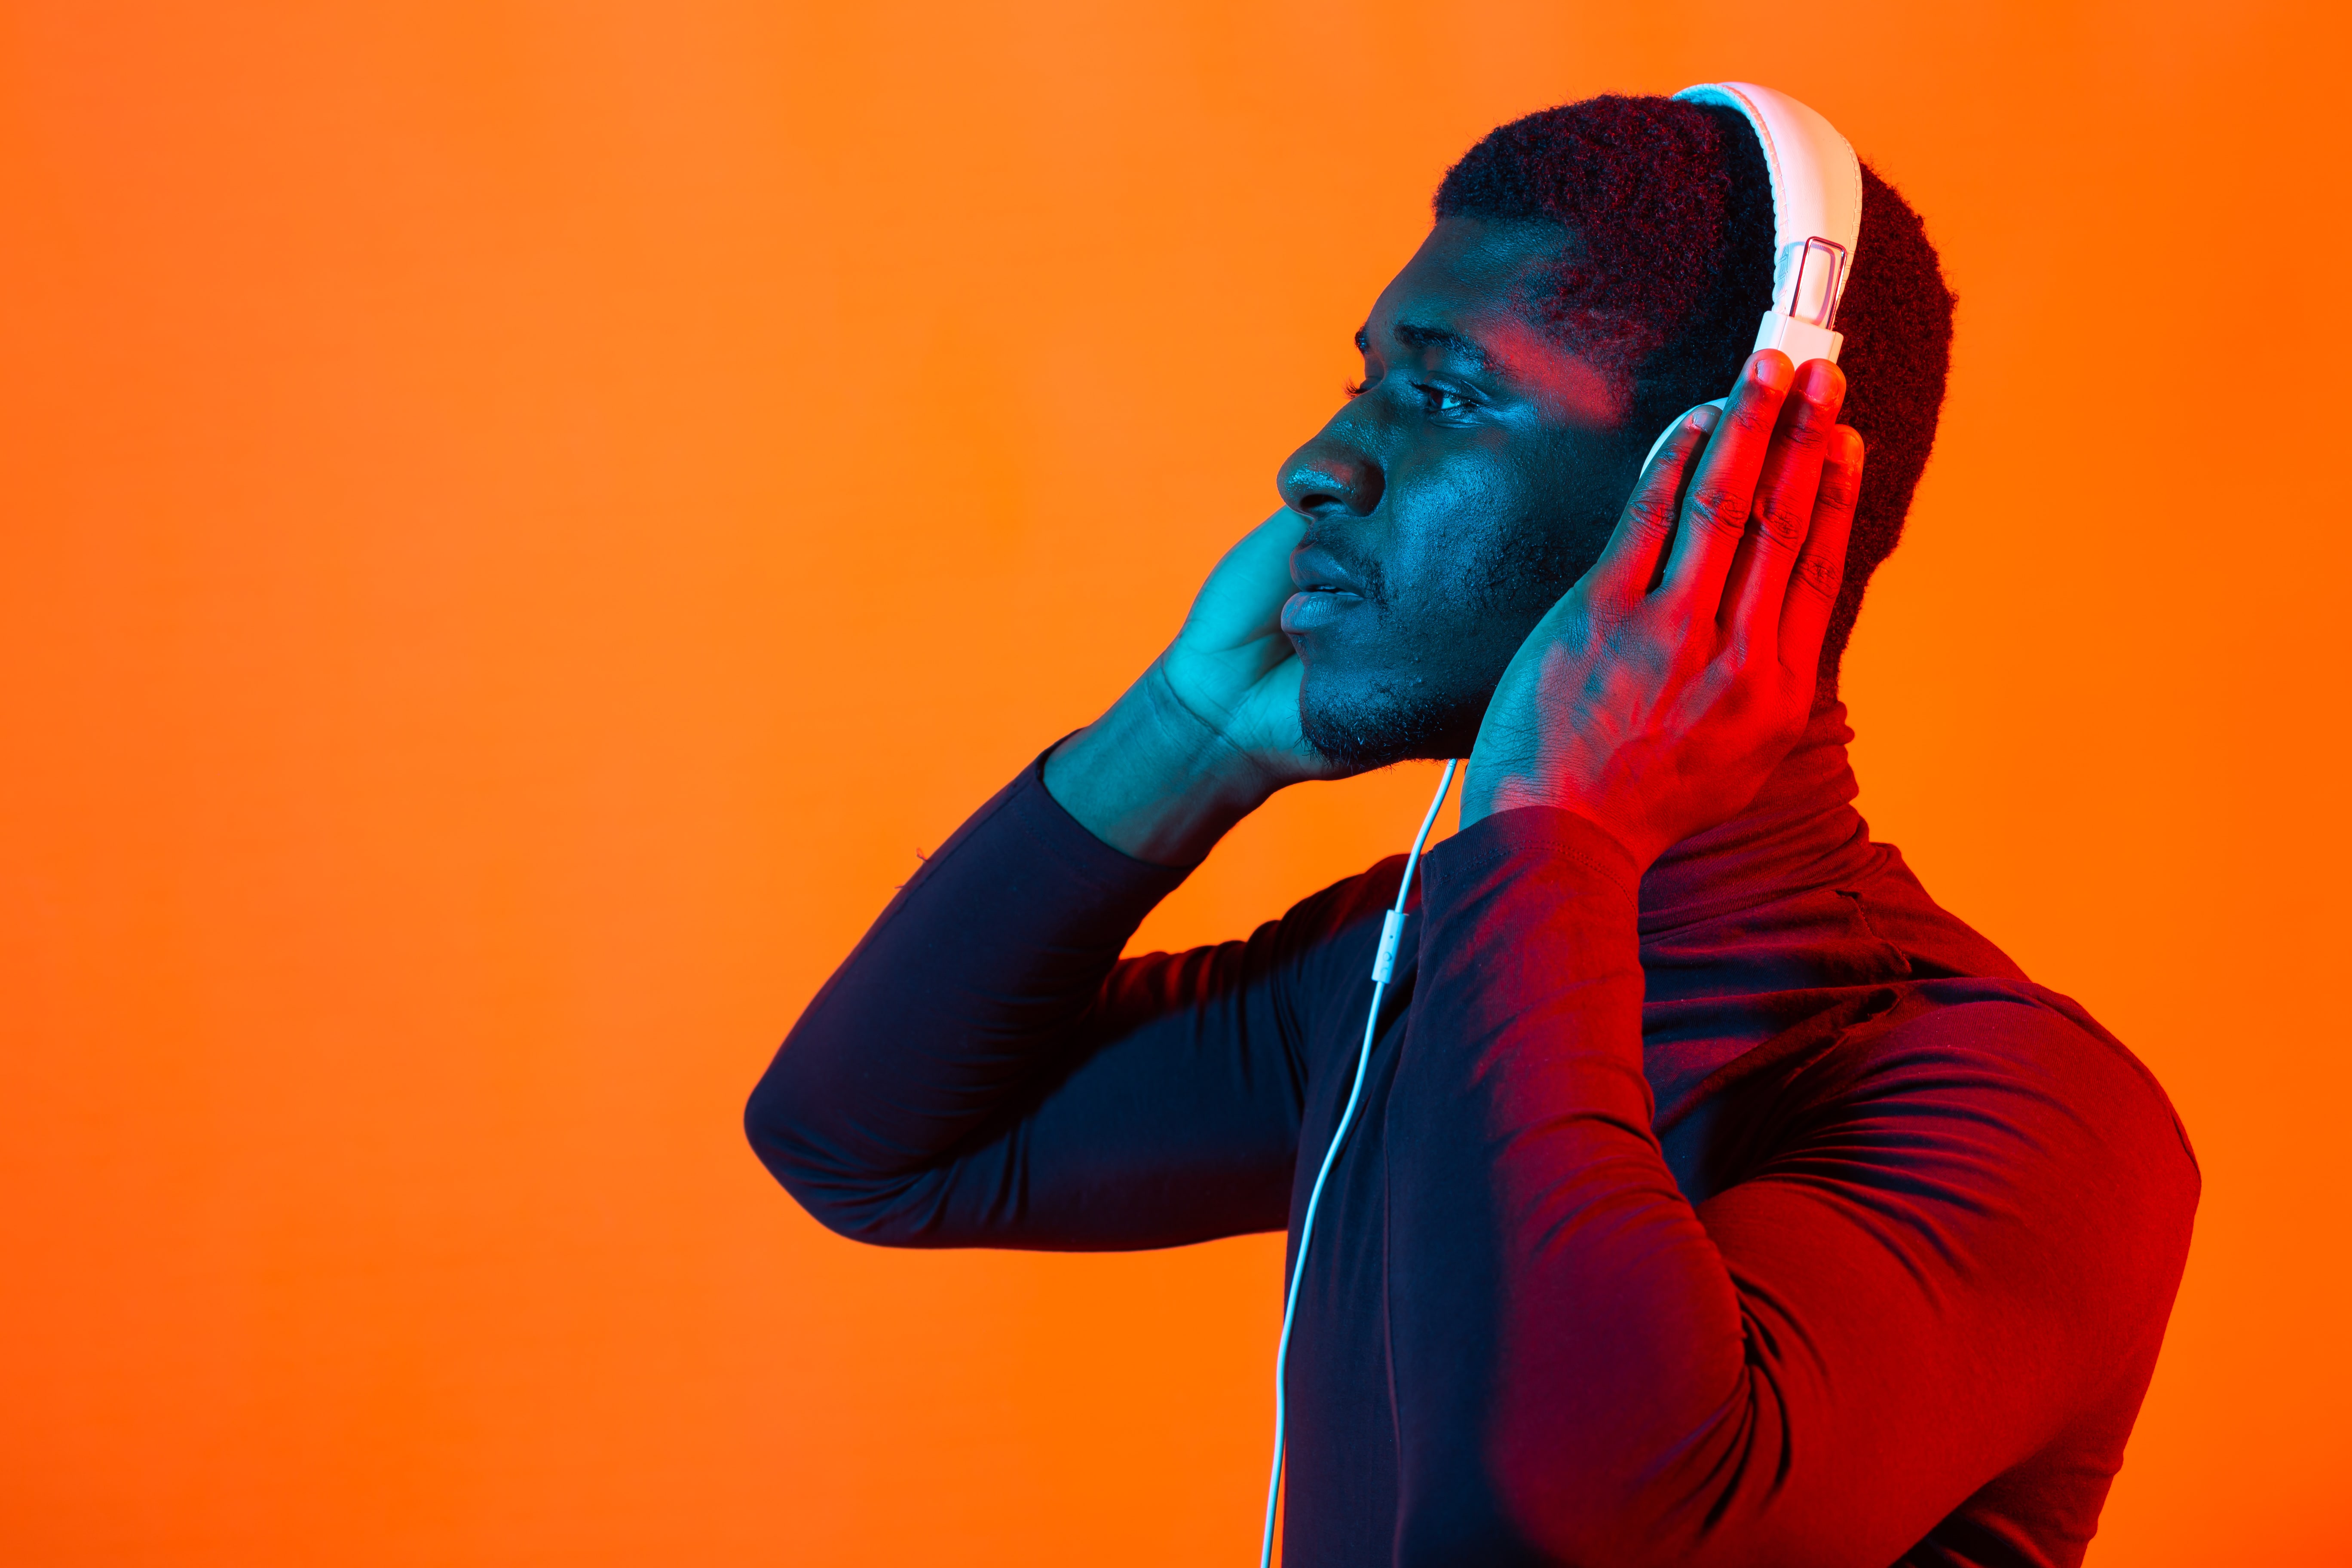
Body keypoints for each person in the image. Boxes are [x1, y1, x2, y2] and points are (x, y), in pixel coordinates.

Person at [744, 94, 2197, 1567]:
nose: (1315, 465)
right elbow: (869, 1145)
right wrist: (1187, 736)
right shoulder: (1403, 974)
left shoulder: (2033, 1120)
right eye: (1363, 382)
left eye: (1443, 398)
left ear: (1713, 485)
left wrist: (1554, 816)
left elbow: (1557, 1525)